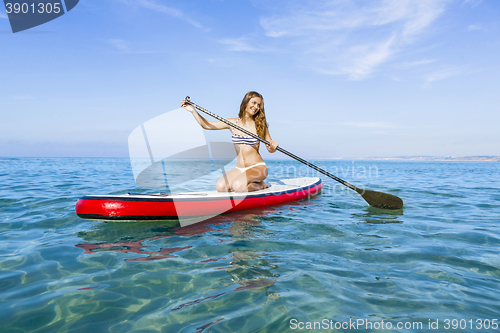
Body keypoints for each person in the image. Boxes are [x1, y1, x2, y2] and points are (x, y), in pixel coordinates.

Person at [181, 91, 278, 193]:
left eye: (259, 105)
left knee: (238, 186)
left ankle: (261, 186)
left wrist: (273, 146)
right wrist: (193, 111)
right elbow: (207, 125)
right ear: (246, 102)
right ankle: (247, 185)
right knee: (221, 187)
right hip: (239, 168)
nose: (256, 107)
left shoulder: (260, 125)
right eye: (253, 102)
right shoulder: (232, 123)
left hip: (257, 167)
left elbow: (270, 148)